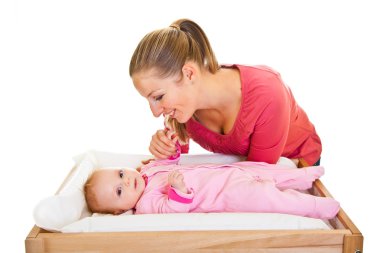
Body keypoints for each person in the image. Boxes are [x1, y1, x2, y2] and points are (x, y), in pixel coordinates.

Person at [129, 19, 322, 166]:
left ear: (188, 73)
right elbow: (180, 159)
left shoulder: (268, 94)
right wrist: (167, 151)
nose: (155, 112)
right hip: (251, 172)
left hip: (298, 162)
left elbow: (258, 178)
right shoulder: (183, 106)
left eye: (158, 97)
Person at [84, 157, 339, 219]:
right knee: (267, 198)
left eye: (120, 173)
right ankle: (315, 207)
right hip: (225, 195)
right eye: (119, 190)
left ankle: (302, 177)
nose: (126, 180)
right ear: (119, 211)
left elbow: (171, 161)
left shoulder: (146, 170)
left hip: (225, 174)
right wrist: (177, 189)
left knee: (264, 171)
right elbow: (173, 210)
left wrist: (171, 148)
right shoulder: (145, 205)